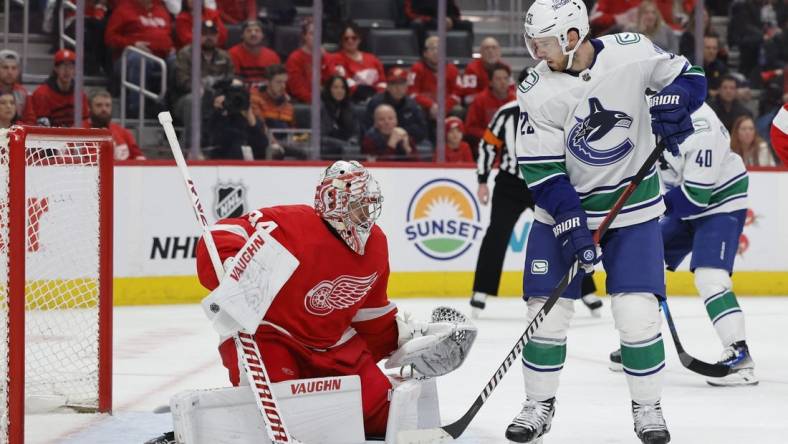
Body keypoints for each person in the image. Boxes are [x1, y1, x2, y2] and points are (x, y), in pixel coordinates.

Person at [509, 0, 707, 443]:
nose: (537, 54)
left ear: (573, 36)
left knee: (637, 317)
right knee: (544, 315)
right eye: (533, 44)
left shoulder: (632, 50)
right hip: (562, 211)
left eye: (544, 44)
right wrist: (572, 223)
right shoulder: (535, 89)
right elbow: (542, 171)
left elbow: (690, 76)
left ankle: (648, 409)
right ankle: (538, 405)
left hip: (633, 208)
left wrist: (680, 100)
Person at [190, 161, 471, 438]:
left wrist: (401, 341)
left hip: (334, 346)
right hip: (271, 336)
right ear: (335, 202)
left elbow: (370, 313)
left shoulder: (376, 245)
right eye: (360, 202)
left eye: (370, 202)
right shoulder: (293, 224)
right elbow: (223, 233)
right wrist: (229, 261)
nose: (368, 210)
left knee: (385, 416)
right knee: (286, 415)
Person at [608, 103, 757, 386]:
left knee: (710, 276)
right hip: (682, 199)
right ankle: (642, 343)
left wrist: (649, 210)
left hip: (719, 201)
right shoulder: (646, 118)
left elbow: (695, 197)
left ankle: (740, 356)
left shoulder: (702, 127)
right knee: (639, 264)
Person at [470, 97, 602, 319]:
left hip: (544, 180)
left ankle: (585, 289)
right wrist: (482, 180)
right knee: (497, 234)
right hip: (510, 183)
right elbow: (487, 145)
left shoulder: (554, 107)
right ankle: (481, 290)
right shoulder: (506, 112)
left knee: (566, 228)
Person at [105, 0, 175, 117]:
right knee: (140, 59)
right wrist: (133, 44)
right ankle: (136, 109)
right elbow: (110, 37)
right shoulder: (124, 9)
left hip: (161, 57)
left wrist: (171, 47)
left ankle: (170, 108)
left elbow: (169, 35)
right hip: (129, 57)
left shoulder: (161, 10)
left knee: (176, 62)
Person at [173, 19, 235, 150]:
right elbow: (181, 80)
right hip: (187, 97)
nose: (209, 37)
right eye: (204, 34)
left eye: (212, 34)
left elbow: (230, 78)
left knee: (236, 100)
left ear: (217, 36)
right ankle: (191, 148)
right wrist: (198, 89)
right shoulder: (186, 54)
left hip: (217, 96)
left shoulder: (225, 56)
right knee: (193, 101)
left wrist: (223, 95)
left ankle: (232, 148)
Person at [364, 67, 428, 148]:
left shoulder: (412, 105)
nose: (398, 88)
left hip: (406, 141)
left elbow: (422, 130)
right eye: (394, 84)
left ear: (406, 86)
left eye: (401, 84)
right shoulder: (376, 103)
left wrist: (403, 133)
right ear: (388, 86)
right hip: (380, 144)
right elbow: (368, 129)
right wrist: (389, 135)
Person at [409, 36, 462, 128]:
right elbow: (412, 93)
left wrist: (444, 107)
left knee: (459, 111)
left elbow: (458, 93)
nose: (436, 52)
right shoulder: (416, 69)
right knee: (416, 110)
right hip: (425, 107)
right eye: (432, 48)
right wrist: (431, 105)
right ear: (425, 53)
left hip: (446, 107)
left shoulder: (453, 70)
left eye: (439, 48)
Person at [285, 18, 340, 103]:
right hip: (305, 103)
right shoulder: (295, 58)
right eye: (312, 33)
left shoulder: (327, 57)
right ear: (304, 36)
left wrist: (325, 57)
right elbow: (297, 89)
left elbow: (334, 81)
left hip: (326, 101)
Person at [463, 63, 515, 152]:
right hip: (487, 145)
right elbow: (470, 128)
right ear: (490, 82)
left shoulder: (516, 100)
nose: (503, 82)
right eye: (498, 79)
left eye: (505, 78)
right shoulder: (480, 100)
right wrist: (492, 139)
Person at [31, 49, 89, 127]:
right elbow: (42, 123)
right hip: (51, 136)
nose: (67, 71)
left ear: (75, 70)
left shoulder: (80, 94)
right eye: (63, 66)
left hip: (74, 136)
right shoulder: (42, 93)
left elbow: (85, 120)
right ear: (56, 69)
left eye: (71, 67)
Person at [331, 22, 386, 102]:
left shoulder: (372, 58)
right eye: (346, 38)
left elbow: (382, 81)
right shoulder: (336, 59)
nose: (350, 41)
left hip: (376, 100)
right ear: (341, 41)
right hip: (351, 101)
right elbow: (344, 83)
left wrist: (377, 96)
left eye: (354, 38)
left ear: (359, 39)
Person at [83, 90, 146, 160]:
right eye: (99, 105)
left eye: (107, 105)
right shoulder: (79, 131)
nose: (104, 109)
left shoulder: (122, 132)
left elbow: (138, 156)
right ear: (89, 108)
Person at [228, 19, 281, 89]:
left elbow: (278, 82)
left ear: (262, 35)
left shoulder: (272, 56)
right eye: (248, 31)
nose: (253, 34)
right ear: (242, 35)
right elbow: (233, 82)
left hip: (266, 96)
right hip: (242, 94)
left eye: (257, 31)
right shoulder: (232, 54)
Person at [460, 37, 511, 106]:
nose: (490, 51)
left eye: (494, 48)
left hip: (503, 105)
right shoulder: (471, 69)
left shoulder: (505, 68)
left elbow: (511, 90)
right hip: (479, 106)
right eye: (487, 48)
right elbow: (468, 97)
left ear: (499, 51)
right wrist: (491, 99)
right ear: (480, 52)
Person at [320, 75, 360, 159]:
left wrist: (353, 141)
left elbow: (356, 132)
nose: (340, 91)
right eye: (335, 87)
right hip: (326, 152)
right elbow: (321, 137)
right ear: (328, 89)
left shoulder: (350, 108)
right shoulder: (321, 108)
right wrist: (343, 144)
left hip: (347, 151)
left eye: (342, 88)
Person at [0, 49, 35, 124]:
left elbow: (30, 120)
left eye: (14, 68)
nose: (10, 72)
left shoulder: (23, 93)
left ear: (18, 71)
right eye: (5, 67)